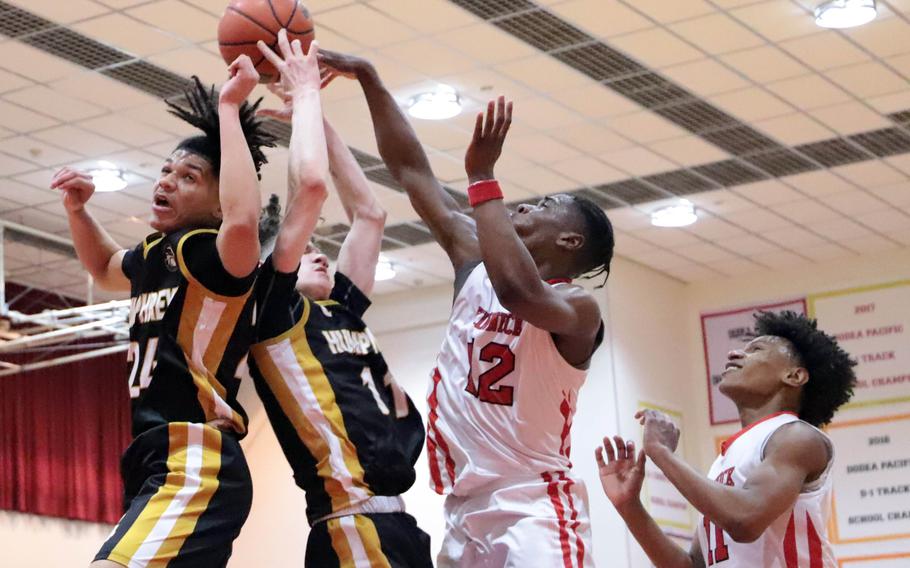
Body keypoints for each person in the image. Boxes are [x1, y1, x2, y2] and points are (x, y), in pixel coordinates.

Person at [319, 50, 615, 568]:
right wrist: (369, 76)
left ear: (570, 240)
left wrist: (482, 176)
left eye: (544, 206)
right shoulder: (472, 260)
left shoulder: (577, 307)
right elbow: (411, 169)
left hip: (534, 506)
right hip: (463, 508)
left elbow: (519, 294)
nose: (527, 205)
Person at [51, 53, 274, 567]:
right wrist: (79, 211)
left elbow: (243, 219)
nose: (169, 180)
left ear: (218, 203)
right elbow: (106, 267)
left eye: (190, 176)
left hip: (196, 455)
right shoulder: (155, 254)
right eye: (166, 170)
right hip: (153, 455)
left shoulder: (213, 254)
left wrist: (229, 108)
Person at [247, 34, 431, 567]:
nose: (320, 255)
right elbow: (309, 187)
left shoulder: (342, 309)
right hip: (350, 519)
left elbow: (370, 214)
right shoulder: (274, 313)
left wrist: (317, 117)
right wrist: (305, 94)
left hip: (396, 520)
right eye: (306, 252)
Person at [596, 311, 856, 568]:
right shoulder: (725, 460)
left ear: (794, 376)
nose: (734, 354)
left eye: (757, 350)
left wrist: (662, 454)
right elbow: (692, 565)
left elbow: (745, 521)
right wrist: (629, 506)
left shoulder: (796, 436)